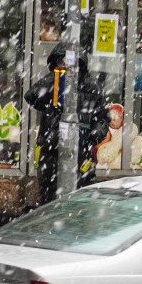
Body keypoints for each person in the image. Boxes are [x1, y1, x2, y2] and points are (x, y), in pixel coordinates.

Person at [25, 44, 107, 203]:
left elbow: (103, 118)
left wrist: (95, 133)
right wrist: (54, 77)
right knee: (50, 201)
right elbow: (31, 97)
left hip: (80, 155)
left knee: (78, 201)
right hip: (51, 154)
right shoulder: (52, 83)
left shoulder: (91, 87)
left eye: (70, 62)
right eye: (61, 62)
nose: (66, 66)